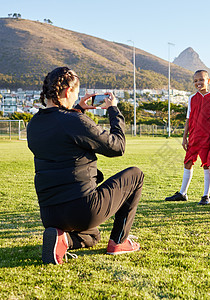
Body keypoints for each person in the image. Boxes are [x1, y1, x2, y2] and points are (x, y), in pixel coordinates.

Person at [27, 67, 144, 265]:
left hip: (50, 214)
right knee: (136, 175)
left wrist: (78, 109)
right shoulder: (74, 120)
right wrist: (113, 110)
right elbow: (117, 146)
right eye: (76, 93)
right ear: (66, 92)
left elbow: (62, 133)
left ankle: (62, 239)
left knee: (93, 236)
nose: (76, 98)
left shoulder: (34, 124)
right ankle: (119, 242)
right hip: (83, 209)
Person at [165, 70, 210, 205]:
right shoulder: (191, 98)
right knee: (187, 163)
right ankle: (183, 193)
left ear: (208, 81)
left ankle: (206, 196)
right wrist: (184, 137)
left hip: (208, 138)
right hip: (193, 137)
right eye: (195, 81)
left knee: (206, 165)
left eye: (201, 80)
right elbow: (188, 119)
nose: (198, 83)